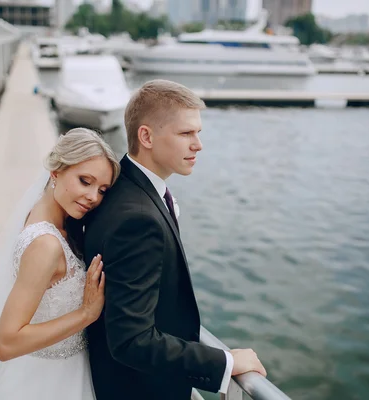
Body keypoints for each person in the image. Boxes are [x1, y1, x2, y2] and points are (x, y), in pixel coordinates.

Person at [84, 80, 267, 400]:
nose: (198, 145)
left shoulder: (126, 187)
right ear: (146, 136)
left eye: (198, 133)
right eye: (186, 134)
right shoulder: (137, 218)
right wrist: (225, 362)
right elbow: (131, 340)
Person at [0, 128, 120, 399]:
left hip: (63, 373)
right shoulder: (45, 244)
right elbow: (6, 343)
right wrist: (86, 314)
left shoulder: (46, 218)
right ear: (56, 172)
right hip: (45, 383)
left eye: (102, 190)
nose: (93, 197)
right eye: (84, 181)